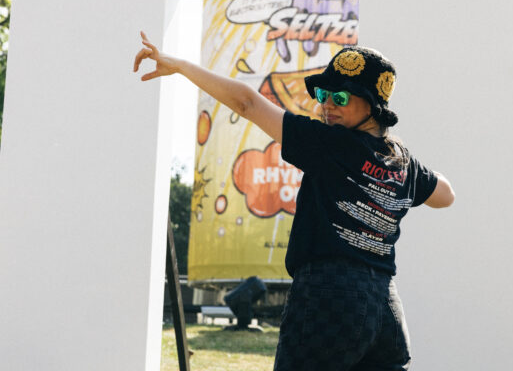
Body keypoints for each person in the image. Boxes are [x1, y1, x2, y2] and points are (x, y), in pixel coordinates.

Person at [134, 32, 455, 370]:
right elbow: (445, 195)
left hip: (328, 297)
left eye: (341, 97)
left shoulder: (330, 144)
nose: (327, 105)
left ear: (373, 107)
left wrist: (181, 66)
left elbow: (247, 103)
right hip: (385, 308)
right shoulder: (404, 164)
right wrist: (406, 170)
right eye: (322, 94)